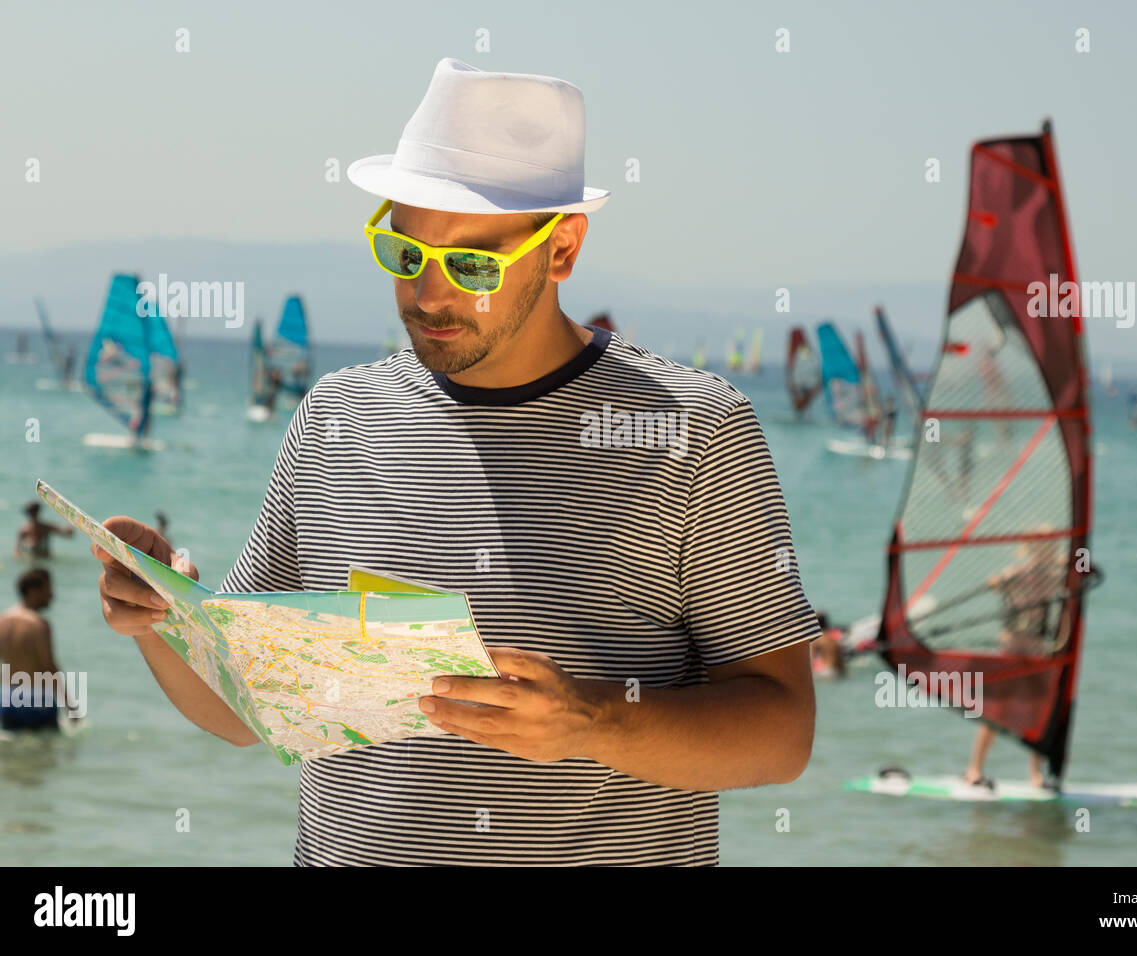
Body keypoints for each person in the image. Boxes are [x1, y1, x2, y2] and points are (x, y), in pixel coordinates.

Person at [91, 57, 819, 868]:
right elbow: (246, 709)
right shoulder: (336, 417)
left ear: (564, 247)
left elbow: (782, 731)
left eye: (472, 264)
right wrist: (162, 621)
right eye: (405, 253)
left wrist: (592, 722)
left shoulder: (694, 430)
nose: (430, 294)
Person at [962, 535, 1066, 790]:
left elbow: (1077, 568)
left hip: (1037, 645)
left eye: (1050, 547)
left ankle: (1036, 774)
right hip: (1012, 643)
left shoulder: (1057, 576)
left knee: (1039, 711)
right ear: (1031, 549)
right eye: (1041, 546)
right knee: (997, 710)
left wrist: (1076, 562)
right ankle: (974, 769)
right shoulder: (1018, 573)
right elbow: (994, 583)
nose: (1046, 551)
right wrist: (1000, 581)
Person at [0, 569, 79, 731]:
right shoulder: (39, 625)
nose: (51, 595)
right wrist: (70, 706)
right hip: (38, 701)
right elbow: (49, 668)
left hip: (7, 699)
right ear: (33, 591)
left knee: (10, 754)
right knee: (46, 752)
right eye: (47, 589)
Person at [809, 611, 846, 679]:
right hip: (837, 671)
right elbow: (841, 659)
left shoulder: (817, 639)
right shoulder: (833, 638)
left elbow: (811, 659)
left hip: (825, 672)